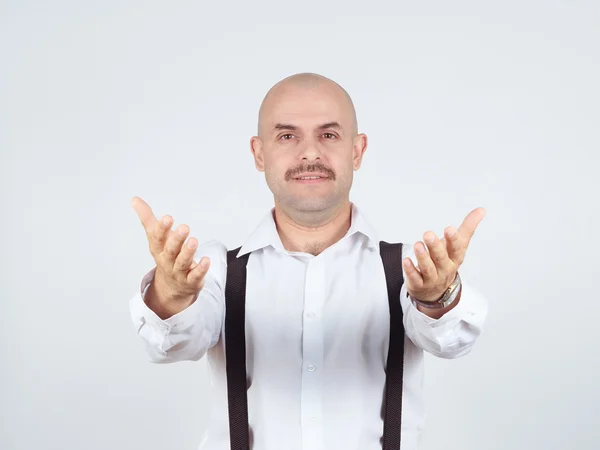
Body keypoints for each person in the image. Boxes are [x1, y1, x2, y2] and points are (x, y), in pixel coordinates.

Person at [129, 72, 488, 450]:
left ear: (357, 151)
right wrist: (169, 297)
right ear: (259, 153)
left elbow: (452, 340)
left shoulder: (407, 271)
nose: (310, 153)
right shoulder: (217, 273)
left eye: (329, 135)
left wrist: (438, 297)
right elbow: (168, 345)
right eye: (287, 136)